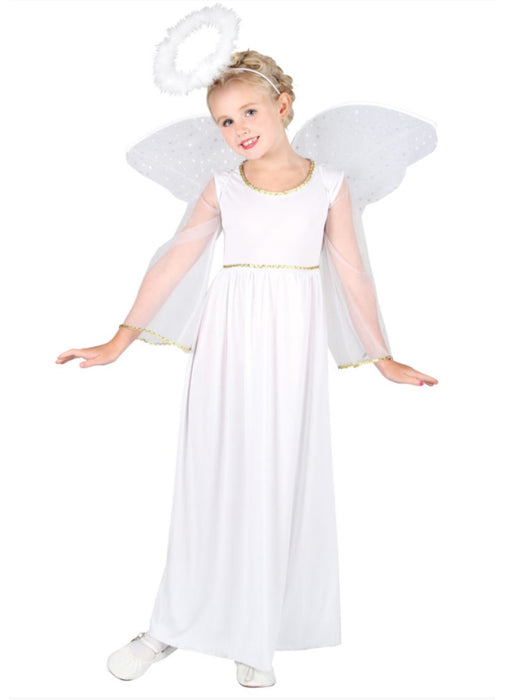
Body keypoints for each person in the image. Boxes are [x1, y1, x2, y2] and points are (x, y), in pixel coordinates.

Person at [55, 49, 438, 688]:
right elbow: (173, 261)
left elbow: (352, 273)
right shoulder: (223, 186)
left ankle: (256, 631)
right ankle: (171, 625)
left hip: (293, 345)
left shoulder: (330, 184)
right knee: (210, 475)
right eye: (226, 122)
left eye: (250, 112)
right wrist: (118, 341)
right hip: (228, 342)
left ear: (283, 107)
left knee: (277, 477)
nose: (239, 129)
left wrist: (383, 356)